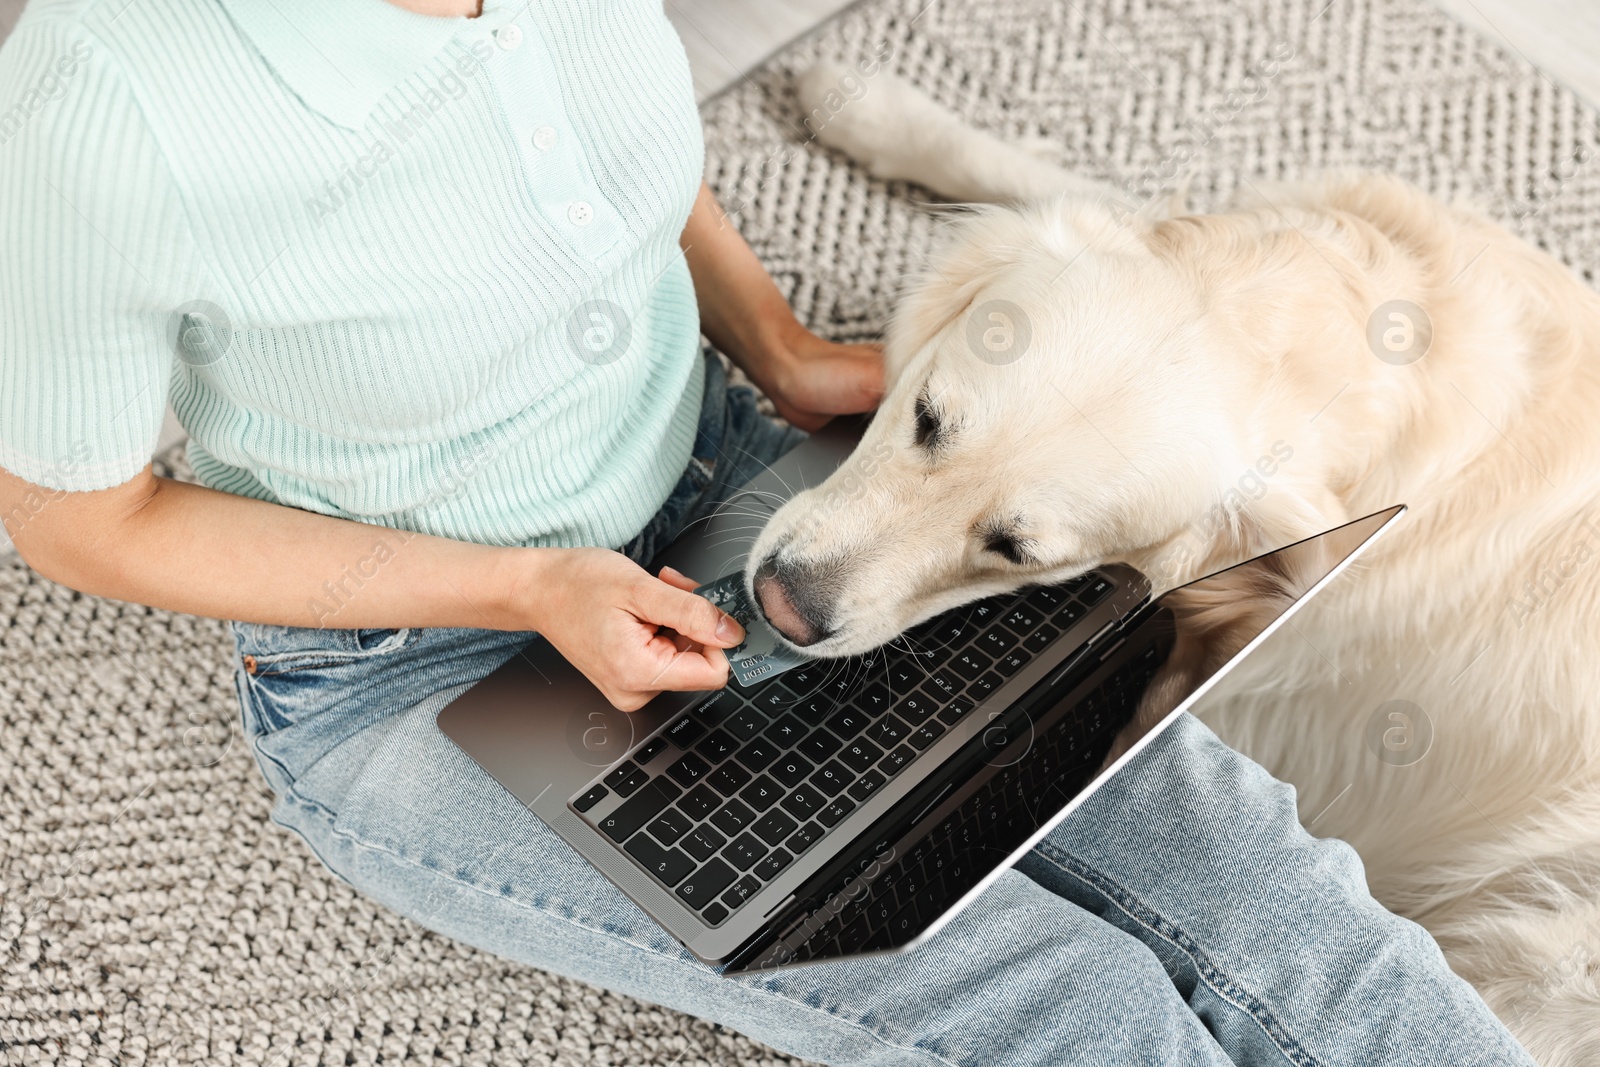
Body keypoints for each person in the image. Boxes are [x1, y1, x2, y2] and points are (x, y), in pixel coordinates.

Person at [0, 0, 1536, 1063]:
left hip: (721, 468)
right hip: (417, 666)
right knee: (1062, 1002)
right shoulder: (107, 101)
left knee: (1265, 886)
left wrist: (783, 349)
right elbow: (79, 526)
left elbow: (598, 150)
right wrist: (529, 583)